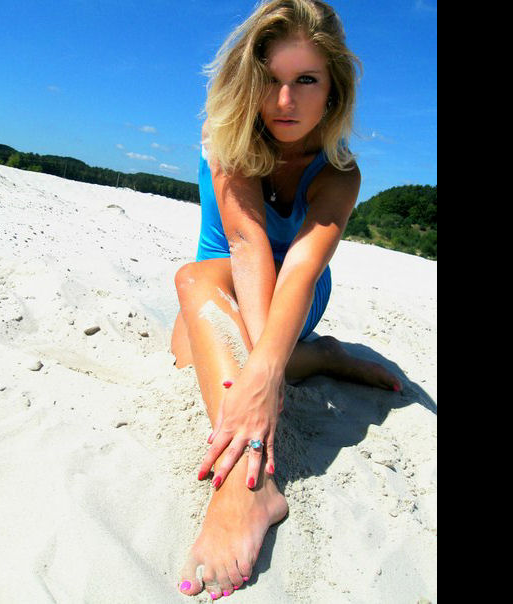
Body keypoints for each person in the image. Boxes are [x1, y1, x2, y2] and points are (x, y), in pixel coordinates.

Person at [171, 0, 402, 598]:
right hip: (233, 268)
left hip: (298, 286)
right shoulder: (226, 137)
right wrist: (262, 373)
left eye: (306, 81)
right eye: (270, 79)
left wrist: (264, 374)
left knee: (193, 286)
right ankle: (319, 356)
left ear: (334, 89)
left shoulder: (340, 172)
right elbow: (246, 245)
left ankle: (245, 491)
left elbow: (299, 269)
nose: (283, 101)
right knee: (188, 352)